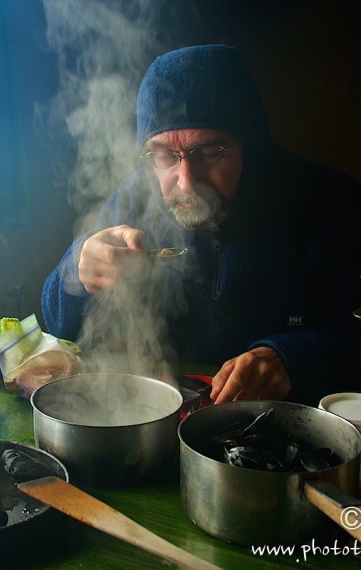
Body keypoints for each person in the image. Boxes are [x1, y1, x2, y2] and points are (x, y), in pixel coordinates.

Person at [41, 44, 361, 406]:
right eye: (163, 155)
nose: (186, 182)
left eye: (210, 151)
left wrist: (293, 358)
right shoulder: (135, 198)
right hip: (156, 418)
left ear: (252, 144)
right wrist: (80, 267)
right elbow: (56, 325)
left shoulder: (333, 205)